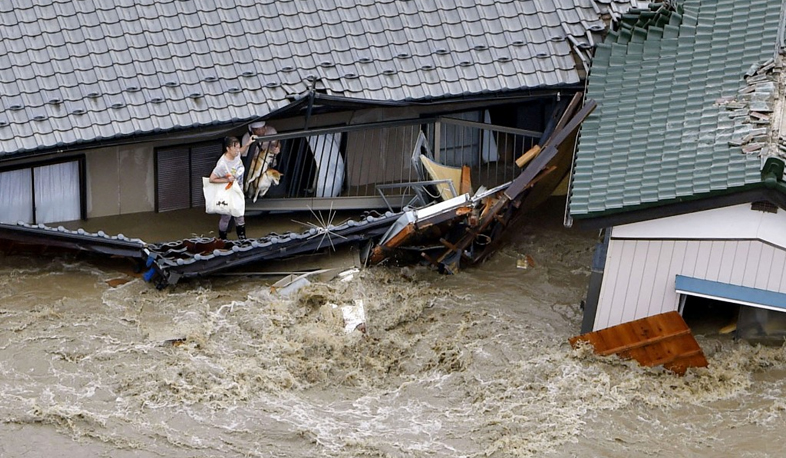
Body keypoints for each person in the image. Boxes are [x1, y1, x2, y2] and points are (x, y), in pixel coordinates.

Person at [209, 136, 253, 240]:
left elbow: (241, 151)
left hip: (238, 191)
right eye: (235, 148)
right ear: (228, 149)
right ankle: (222, 237)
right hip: (227, 192)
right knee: (226, 216)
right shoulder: (222, 164)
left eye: (238, 148)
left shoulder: (237, 154)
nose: (238, 151)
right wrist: (226, 180)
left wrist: (248, 144)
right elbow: (212, 179)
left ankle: (242, 237)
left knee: (239, 215)